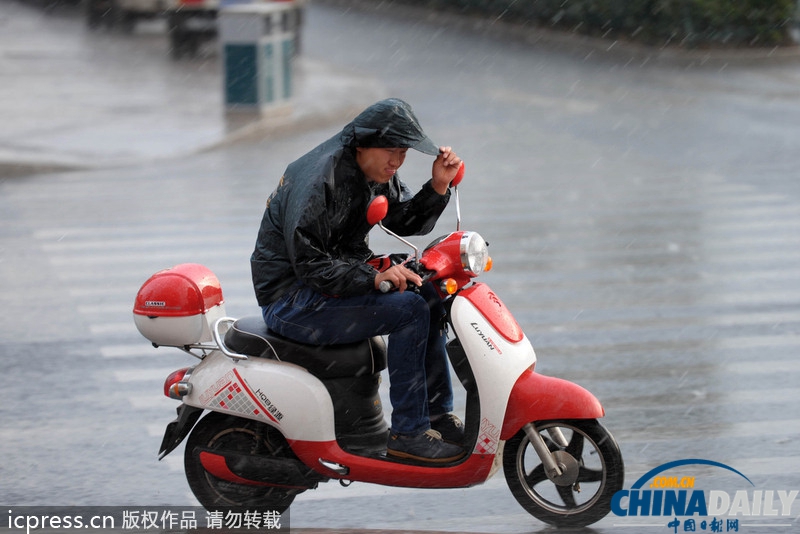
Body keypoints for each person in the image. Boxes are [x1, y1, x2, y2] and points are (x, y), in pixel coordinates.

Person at [250, 98, 465, 463]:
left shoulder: (372, 171)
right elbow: (311, 265)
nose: (397, 162)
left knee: (424, 290)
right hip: (293, 299)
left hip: (331, 281)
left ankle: (437, 415)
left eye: (403, 152)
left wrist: (438, 185)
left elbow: (403, 220)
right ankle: (408, 433)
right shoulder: (320, 179)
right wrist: (374, 276)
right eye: (391, 151)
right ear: (363, 143)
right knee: (410, 311)